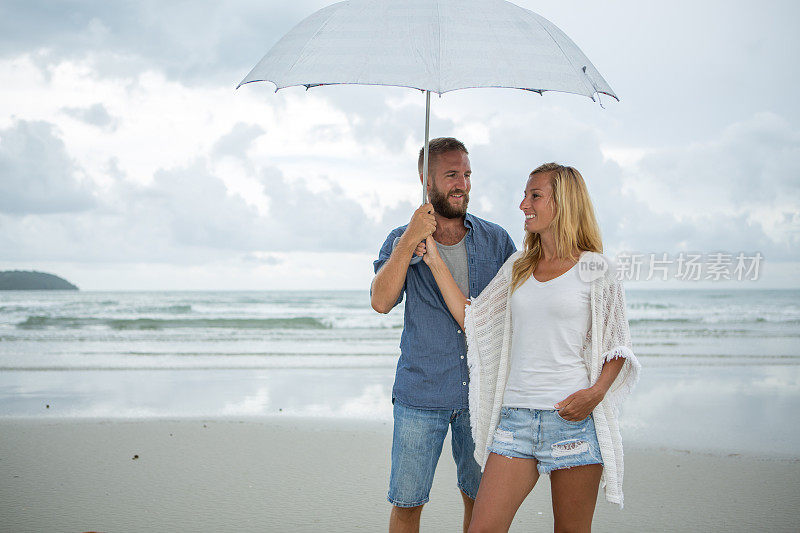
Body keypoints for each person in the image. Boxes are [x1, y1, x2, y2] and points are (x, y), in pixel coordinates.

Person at [417, 162, 640, 532]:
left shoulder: (596, 268)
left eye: (534, 195)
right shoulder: (519, 266)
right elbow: (475, 321)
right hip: (515, 421)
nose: (523, 205)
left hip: (572, 420)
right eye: (525, 195)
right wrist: (434, 259)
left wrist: (596, 393)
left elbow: (617, 347)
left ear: (564, 203)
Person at [371, 137, 517, 533]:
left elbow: (516, 314)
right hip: (421, 396)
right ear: (425, 179)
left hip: (482, 396)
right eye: (452, 174)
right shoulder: (399, 239)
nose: (463, 184)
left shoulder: (497, 240)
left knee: (479, 500)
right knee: (407, 503)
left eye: (467, 174)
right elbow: (381, 302)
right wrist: (409, 241)